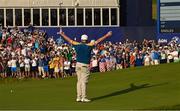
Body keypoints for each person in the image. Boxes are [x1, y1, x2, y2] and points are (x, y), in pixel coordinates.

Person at [60, 31, 112, 102]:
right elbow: (99, 40)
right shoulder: (89, 45)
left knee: (79, 81)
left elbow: (69, 40)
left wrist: (62, 34)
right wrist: (107, 35)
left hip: (78, 64)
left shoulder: (77, 44)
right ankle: (83, 97)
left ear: (81, 39)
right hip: (85, 65)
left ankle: (78, 97)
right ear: (87, 40)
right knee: (84, 82)